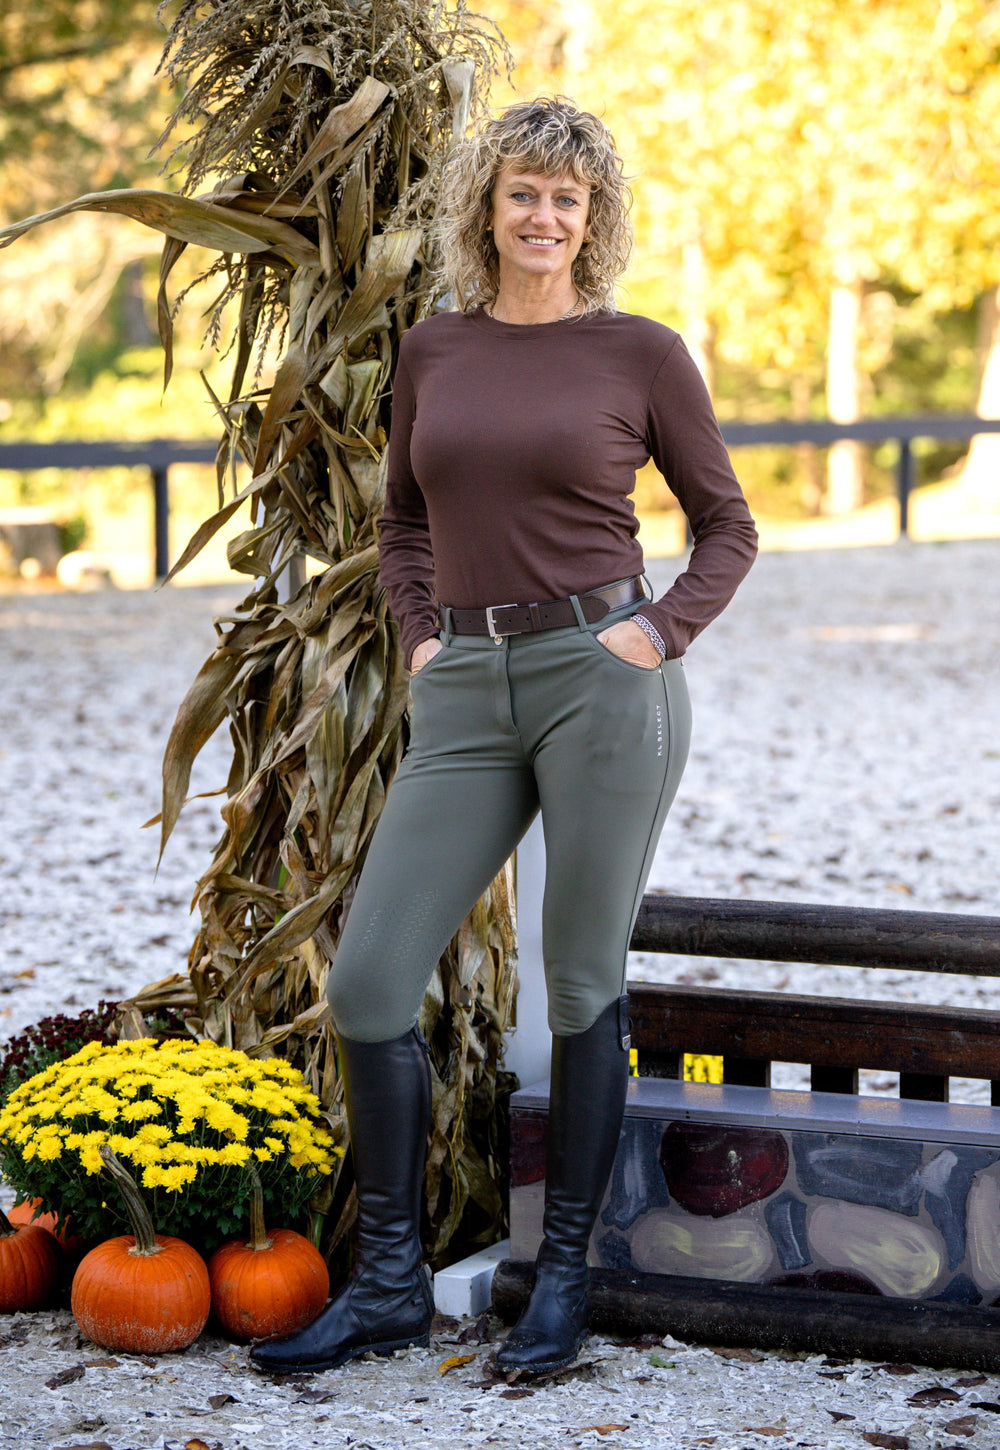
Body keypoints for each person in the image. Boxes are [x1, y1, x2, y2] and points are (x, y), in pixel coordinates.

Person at [250, 95, 757, 1379]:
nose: (543, 217)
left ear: (593, 224)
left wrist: (654, 634)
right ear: (488, 207)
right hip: (466, 688)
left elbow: (727, 527)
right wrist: (423, 643)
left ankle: (564, 1280)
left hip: (605, 683)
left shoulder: (639, 353)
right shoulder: (437, 348)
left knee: (580, 976)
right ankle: (385, 1288)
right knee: (369, 983)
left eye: (567, 201)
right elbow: (404, 522)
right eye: (523, 193)